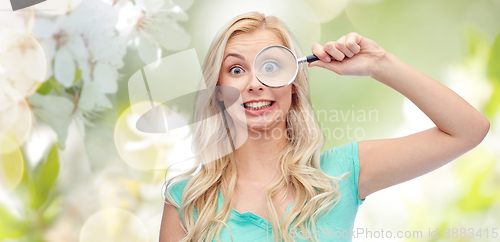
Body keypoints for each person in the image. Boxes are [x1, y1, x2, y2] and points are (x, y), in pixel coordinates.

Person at [159, 12, 490, 242]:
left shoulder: (341, 175)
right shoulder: (187, 199)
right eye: (235, 70)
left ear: (293, 83)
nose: (254, 83)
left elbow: (468, 129)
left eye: (271, 66)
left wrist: (379, 64)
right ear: (218, 90)